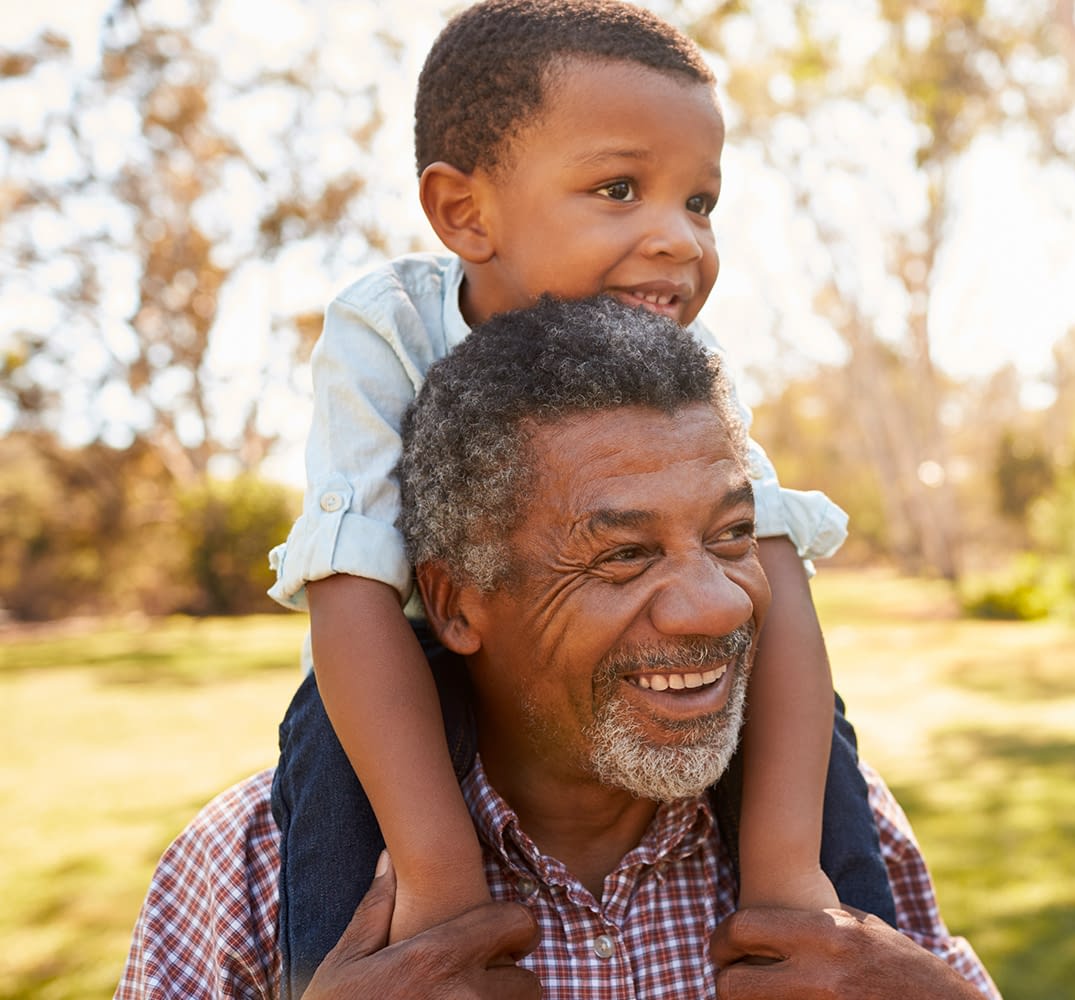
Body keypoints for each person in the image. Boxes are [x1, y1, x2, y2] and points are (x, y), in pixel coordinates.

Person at [263, 1, 892, 993]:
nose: (679, 239)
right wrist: (440, 883)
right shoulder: (387, 329)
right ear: (466, 212)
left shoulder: (692, 362)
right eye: (618, 188)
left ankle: (841, 953)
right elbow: (349, 586)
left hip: (620, 692)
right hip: (415, 661)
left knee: (821, 737)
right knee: (322, 739)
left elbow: (772, 567)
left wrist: (787, 872)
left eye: (699, 202)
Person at [118, 297, 998, 999]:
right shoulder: (248, 872)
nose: (716, 605)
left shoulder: (842, 827)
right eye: (623, 553)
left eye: (733, 538)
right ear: (456, 605)